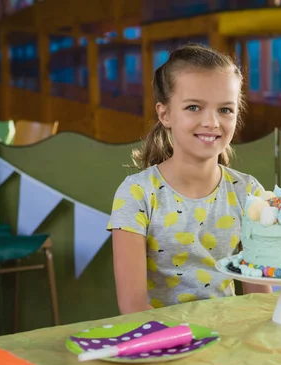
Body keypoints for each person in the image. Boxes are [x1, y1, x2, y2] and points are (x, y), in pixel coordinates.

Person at [107, 43, 271, 315]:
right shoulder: (136, 194)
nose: (211, 122)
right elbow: (133, 306)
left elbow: (258, 299)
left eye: (225, 110)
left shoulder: (248, 191)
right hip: (164, 342)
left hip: (230, 339)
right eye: (194, 107)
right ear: (165, 114)